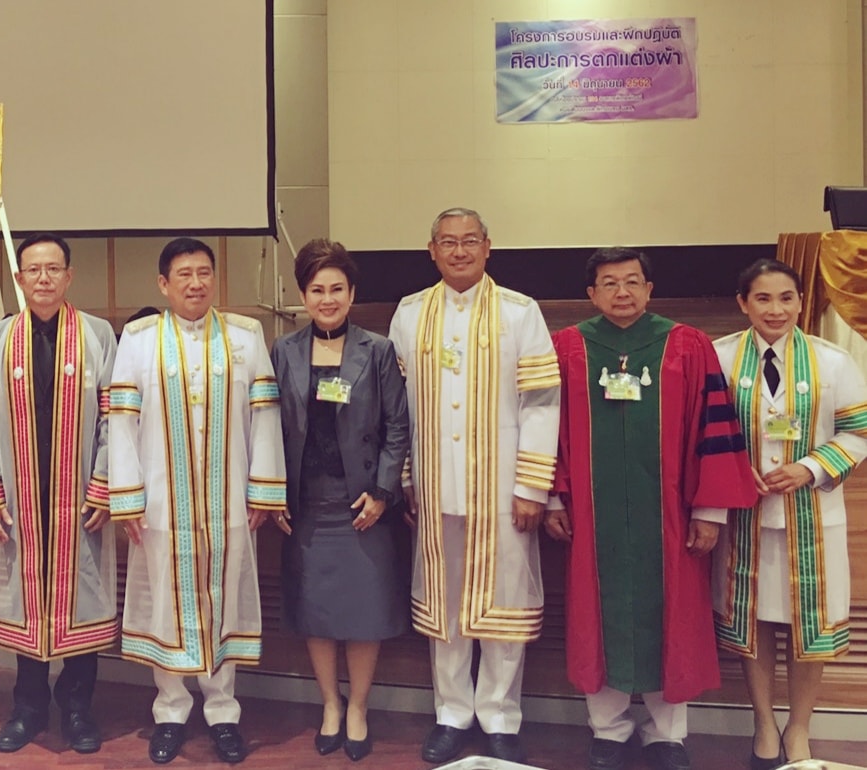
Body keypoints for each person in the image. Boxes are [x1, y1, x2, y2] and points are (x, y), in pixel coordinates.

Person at [546, 247, 758, 770]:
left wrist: (710, 510)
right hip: (591, 517)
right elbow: (544, 428)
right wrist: (551, 494)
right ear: (591, 293)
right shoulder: (568, 347)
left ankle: (667, 735)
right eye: (609, 283)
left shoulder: (687, 344)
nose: (622, 292)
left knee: (674, 614)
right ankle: (607, 731)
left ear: (649, 289)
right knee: (595, 614)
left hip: (671, 516)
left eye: (632, 281)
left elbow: (714, 427)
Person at [386, 207, 559, 765]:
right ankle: (452, 713)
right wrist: (407, 478)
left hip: (504, 491)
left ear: (488, 246)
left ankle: (501, 715)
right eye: (447, 242)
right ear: (431, 250)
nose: (458, 251)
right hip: (436, 488)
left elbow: (541, 403)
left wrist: (532, 487)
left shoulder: (520, 312)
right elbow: (397, 408)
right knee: (447, 607)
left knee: (502, 605)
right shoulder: (410, 313)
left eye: (469, 241)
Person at [109, 237, 286, 765]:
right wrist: (128, 497)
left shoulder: (244, 336)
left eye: (204, 272)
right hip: (162, 505)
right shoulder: (139, 339)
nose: (195, 283)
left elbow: (265, 414)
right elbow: (122, 421)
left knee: (222, 598)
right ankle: (170, 710)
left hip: (227, 501)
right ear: (164, 284)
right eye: (183, 274)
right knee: (166, 602)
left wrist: (263, 488)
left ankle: (223, 712)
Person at [0, 233, 118, 754]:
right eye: (34, 269)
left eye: (54, 268)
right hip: (22, 497)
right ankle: (27, 708)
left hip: (80, 497)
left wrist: (104, 483)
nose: (44, 278)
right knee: (26, 600)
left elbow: (114, 418)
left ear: (69, 276)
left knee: (80, 599)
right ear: (19, 278)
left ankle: (77, 709)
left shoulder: (97, 334)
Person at [711, 259, 867, 768]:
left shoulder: (833, 361)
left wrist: (810, 468)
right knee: (753, 620)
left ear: (801, 302)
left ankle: (799, 728)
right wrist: (735, 471)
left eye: (786, 298)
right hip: (745, 518)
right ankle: (763, 723)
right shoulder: (720, 357)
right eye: (763, 298)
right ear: (743, 303)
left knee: (810, 627)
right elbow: (703, 431)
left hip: (814, 517)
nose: (775, 309)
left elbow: (858, 432)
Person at [271, 239, 409, 762]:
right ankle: (331, 703)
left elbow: (398, 427)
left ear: (352, 293)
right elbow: (268, 425)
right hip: (307, 504)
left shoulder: (377, 350)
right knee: (317, 610)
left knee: (364, 611)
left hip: (362, 504)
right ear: (303, 295)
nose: (326, 299)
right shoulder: (284, 350)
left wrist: (383, 492)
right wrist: (273, 492)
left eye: (336, 289)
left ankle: (359, 709)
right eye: (316, 290)